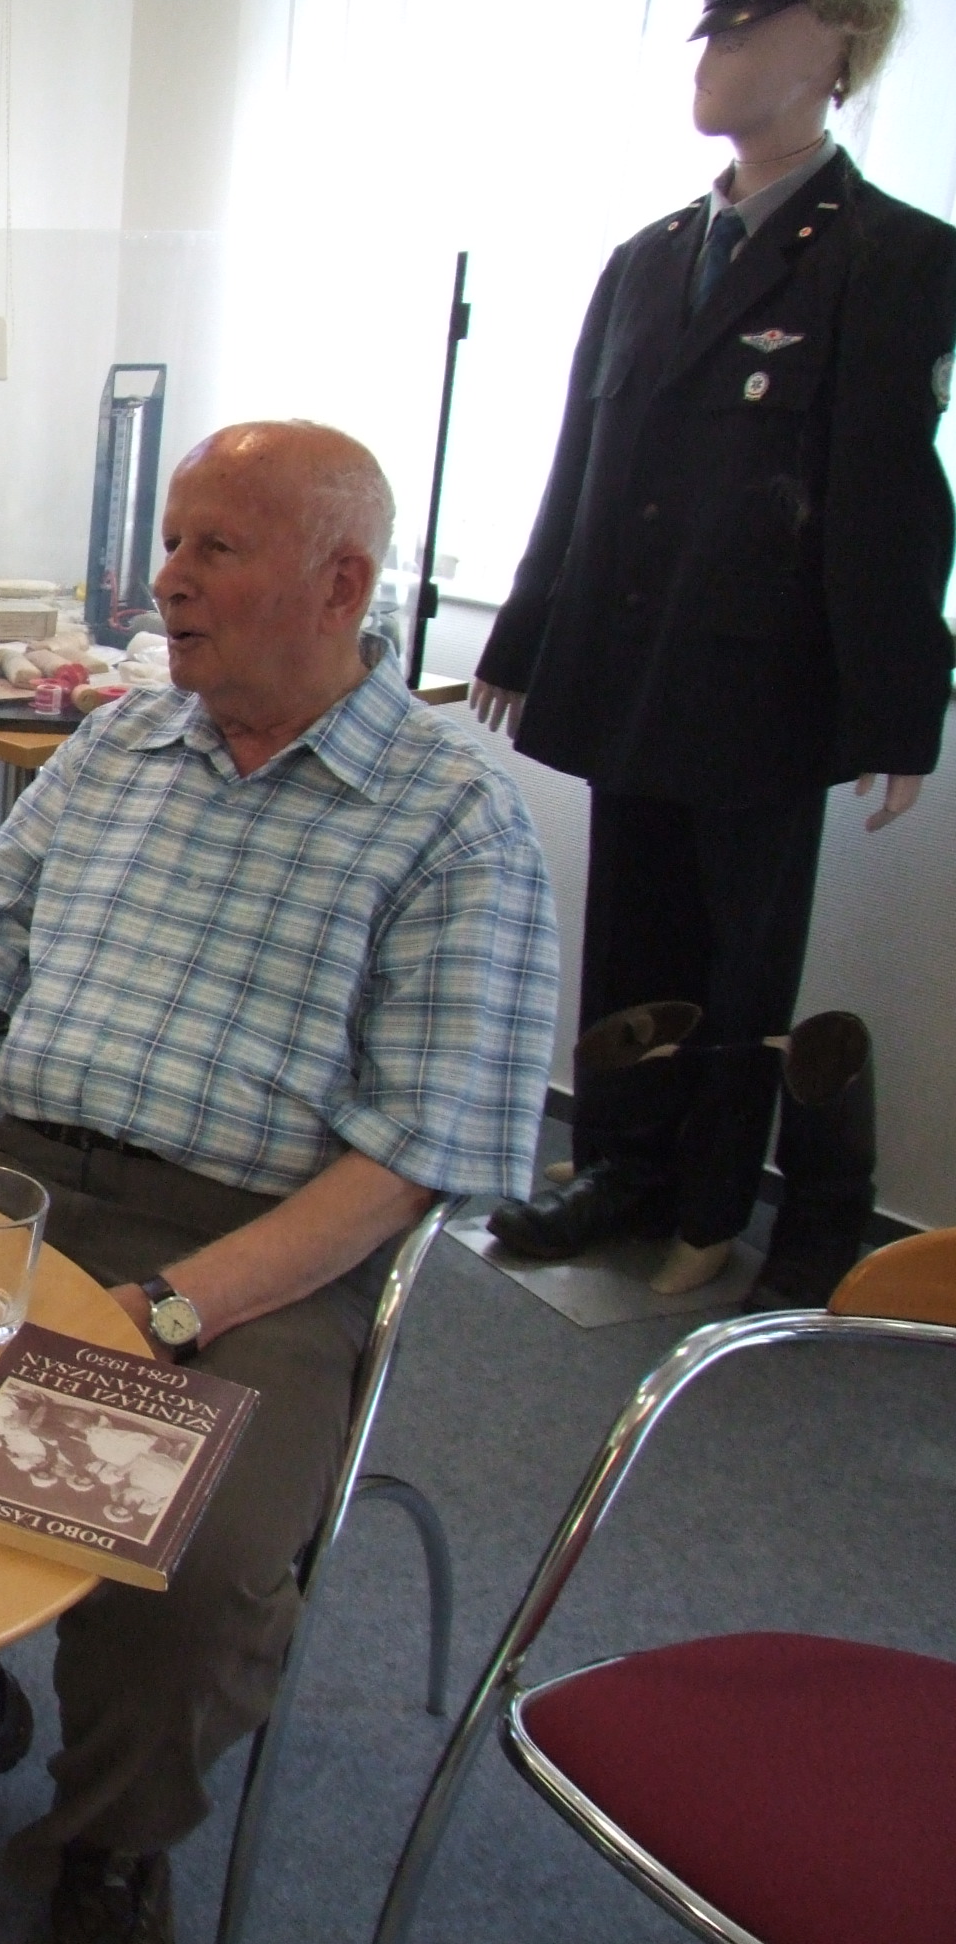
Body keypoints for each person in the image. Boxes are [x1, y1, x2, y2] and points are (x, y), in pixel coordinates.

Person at [0, 422, 558, 1944]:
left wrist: (173, 1309)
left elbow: (412, 1158)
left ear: (341, 585)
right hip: (19, 1192)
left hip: (260, 1253)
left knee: (184, 1564)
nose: (166, 578)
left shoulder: (455, 819)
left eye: (215, 548)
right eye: (172, 539)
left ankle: (108, 1840)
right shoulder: (121, 746)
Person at [473, 0, 954, 1303]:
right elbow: (579, 466)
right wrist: (525, 627)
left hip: (761, 685)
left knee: (742, 961)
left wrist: (899, 705)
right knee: (630, 939)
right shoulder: (647, 258)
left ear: (838, 40)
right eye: (708, 26)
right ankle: (618, 1169)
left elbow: (893, 501)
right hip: (631, 661)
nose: (712, 51)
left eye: (746, 24)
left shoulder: (894, 258)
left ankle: (711, 1200)